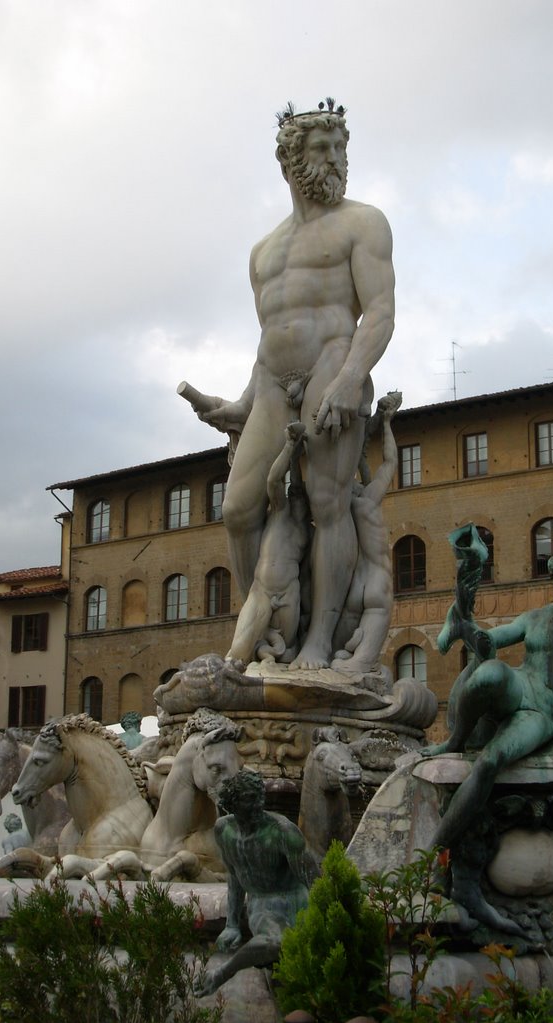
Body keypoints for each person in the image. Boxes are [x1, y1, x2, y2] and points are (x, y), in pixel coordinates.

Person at [191, 99, 395, 670]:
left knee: (328, 503)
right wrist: (238, 404)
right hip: (274, 384)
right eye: (322, 149)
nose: (336, 160)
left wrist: (353, 378)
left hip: (335, 364)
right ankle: (269, 621)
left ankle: (318, 642)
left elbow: (378, 312)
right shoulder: (263, 252)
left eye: (340, 148)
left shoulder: (364, 222)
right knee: (237, 508)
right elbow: (269, 340)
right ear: (289, 161)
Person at [423, 541, 553, 853]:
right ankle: (454, 741)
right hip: (522, 682)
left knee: (490, 760)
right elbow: (497, 638)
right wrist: (472, 632)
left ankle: (435, 851)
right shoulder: (535, 618)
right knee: (489, 672)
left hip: (545, 710)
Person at [198, 768, 315, 995]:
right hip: (264, 904)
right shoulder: (223, 830)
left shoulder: (282, 832)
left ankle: (222, 972)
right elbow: (234, 875)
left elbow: (314, 880)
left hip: (298, 899)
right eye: (250, 799)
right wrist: (232, 924)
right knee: (275, 943)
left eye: (261, 796)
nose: (258, 804)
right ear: (232, 803)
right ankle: (222, 974)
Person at [226, 421, 311, 664]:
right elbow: (275, 480)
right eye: (295, 493)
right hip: (262, 591)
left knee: (286, 653)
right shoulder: (280, 511)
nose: (296, 495)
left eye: (300, 495)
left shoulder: (309, 532)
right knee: (239, 653)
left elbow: (308, 573)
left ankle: (268, 655)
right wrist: (291, 447)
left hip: (289, 594)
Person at [331, 391, 401, 676]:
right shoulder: (369, 500)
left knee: (335, 661)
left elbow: (359, 463)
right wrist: (386, 423)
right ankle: (359, 660)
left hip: (351, 588)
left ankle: (345, 655)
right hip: (376, 582)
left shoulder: (338, 507)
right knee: (358, 668)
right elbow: (390, 463)